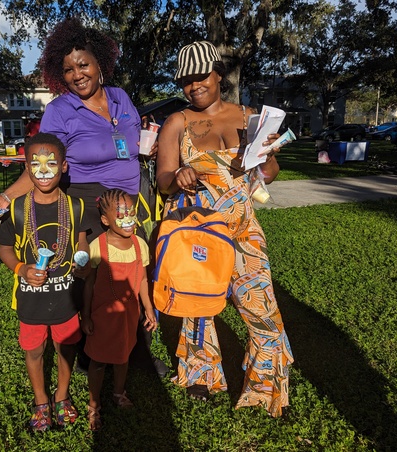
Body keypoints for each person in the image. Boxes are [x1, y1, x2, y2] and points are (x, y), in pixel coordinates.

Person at [0, 17, 166, 377]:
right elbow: (40, 162)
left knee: (133, 274)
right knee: (93, 278)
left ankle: (134, 347)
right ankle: (90, 349)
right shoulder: (60, 111)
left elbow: (130, 142)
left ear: (99, 64)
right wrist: (5, 198)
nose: (77, 74)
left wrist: (150, 149)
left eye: (83, 64)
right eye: (67, 70)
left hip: (128, 201)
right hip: (87, 202)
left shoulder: (121, 97)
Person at [156, 41, 294, 417]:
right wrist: (178, 174)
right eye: (185, 80)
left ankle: (265, 385)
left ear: (217, 74)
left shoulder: (248, 116)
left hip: (242, 227)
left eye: (200, 76)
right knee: (198, 304)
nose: (194, 85)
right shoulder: (177, 122)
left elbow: (268, 173)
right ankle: (201, 375)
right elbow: (164, 179)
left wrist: (267, 160)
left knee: (262, 307)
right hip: (198, 230)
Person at [0, 132, 91, 432]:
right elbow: (5, 248)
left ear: (63, 166)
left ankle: (61, 396)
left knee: (66, 346)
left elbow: (82, 242)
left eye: (51, 163)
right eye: (35, 164)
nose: (44, 170)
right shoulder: (17, 208)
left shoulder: (75, 206)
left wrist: (82, 260)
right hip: (31, 297)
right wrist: (22, 270)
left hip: (66, 296)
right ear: (26, 166)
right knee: (34, 350)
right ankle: (40, 400)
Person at [81, 188, 157, 431]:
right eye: (121, 216)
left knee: (123, 356)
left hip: (129, 316)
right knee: (99, 361)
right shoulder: (97, 247)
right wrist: (85, 315)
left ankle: (118, 392)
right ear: (105, 220)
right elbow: (89, 284)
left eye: (131, 214)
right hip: (103, 317)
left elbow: (143, 280)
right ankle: (94, 404)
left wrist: (148, 307)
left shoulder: (139, 245)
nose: (128, 221)